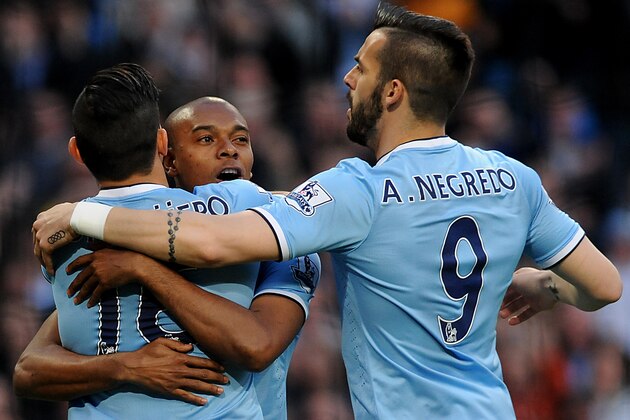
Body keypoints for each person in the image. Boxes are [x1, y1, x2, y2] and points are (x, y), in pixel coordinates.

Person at [32, 2, 622, 419]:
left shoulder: (357, 191)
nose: (347, 78)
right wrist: (547, 287)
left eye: (361, 69)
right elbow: (603, 286)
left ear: (392, 92)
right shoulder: (512, 177)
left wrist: (82, 215)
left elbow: (211, 244)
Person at [23, 64, 320, 419]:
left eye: (241, 139)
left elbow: (257, 345)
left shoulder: (65, 236)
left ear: (77, 152)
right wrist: (126, 366)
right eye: (206, 139)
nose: (229, 152)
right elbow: (29, 368)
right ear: (167, 152)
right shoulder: (239, 202)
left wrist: (88, 223)